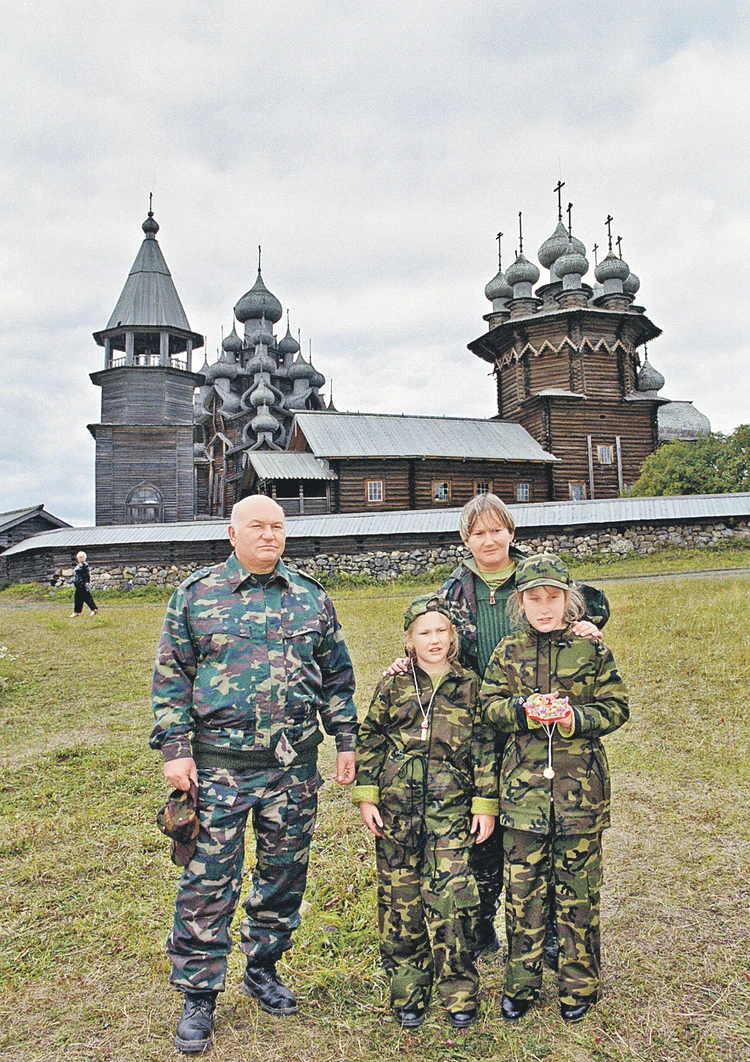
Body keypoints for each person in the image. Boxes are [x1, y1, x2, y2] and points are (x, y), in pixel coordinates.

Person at [150, 495, 357, 1054]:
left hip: (294, 771)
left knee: (283, 874)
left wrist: (346, 739)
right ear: (232, 532)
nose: (269, 535)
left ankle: (262, 967)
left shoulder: (311, 596)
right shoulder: (196, 596)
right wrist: (175, 749)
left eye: (278, 527)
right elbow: (172, 676)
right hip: (219, 767)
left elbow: (337, 677)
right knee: (207, 880)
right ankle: (198, 994)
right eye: (257, 526)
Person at [389, 493, 609, 962]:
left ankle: (550, 928)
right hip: (479, 718)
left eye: (496, 530)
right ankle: (484, 921)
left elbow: (583, 605)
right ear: (465, 539)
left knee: (548, 828)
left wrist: (588, 624)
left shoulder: (538, 574)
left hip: (541, 726)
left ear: (512, 531)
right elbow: (428, 633)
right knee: (483, 825)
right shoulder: (452, 590)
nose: (488, 540)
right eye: (477, 532)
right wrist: (406, 660)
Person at [480, 553, 629, 1024]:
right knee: (523, 891)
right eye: (534, 598)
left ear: (570, 601)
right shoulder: (507, 651)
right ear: (519, 603)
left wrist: (575, 718)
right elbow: (488, 706)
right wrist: (523, 710)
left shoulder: (592, 650)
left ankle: (579, 984)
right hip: (523, 796)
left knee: (578, 891)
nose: (545, 607)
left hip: (580, 794)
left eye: (554, 597)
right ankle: (521, 986)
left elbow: (617, 707)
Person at [353, 595, 498, 1030]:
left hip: (451, 813)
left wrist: (485, 804)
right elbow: (371, 737)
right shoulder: (394, 684)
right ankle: (408, 990)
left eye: (441, 631)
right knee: (401, 903)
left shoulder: (471, 686)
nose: (433, 640)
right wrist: (366, 794)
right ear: (409, 640)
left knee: (453, 898)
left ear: (453, 637)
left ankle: (459, 991)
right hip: (397, 813)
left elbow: (485, 749)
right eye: (424, 632)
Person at [70, 551, 98, 617]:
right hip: (78, 584)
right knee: (80, 598)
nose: (79, 559)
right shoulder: (78, 565)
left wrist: (87, 582)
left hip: (82, 584)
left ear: (84, 558)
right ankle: (78, 611)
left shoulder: (85, 565)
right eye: (78, 557)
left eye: (81, 557)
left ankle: (93, 609)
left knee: (85, 597)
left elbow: (87, 575)